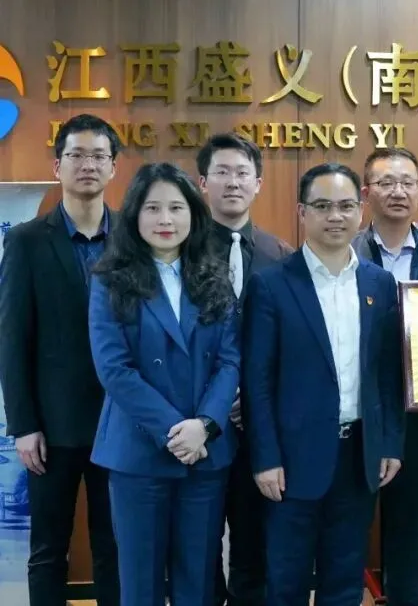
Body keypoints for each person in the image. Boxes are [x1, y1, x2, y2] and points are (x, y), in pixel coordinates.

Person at [243, 163, 404, 606]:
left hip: (359, 456)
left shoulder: (379, 284)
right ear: (302, 212)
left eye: (346, 206)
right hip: (291, 460)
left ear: (361, 209)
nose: (336, 216)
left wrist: (389, 443)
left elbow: (387, 374)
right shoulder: (271, 284)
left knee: (345, 580)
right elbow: (257, 381)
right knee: (286, 581)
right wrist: (265, 458)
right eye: (322, 206)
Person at [88, 162, 239, 605]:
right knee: (141, 584)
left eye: (176, 207)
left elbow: (230, 360)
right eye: (153, 208)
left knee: (199, 581)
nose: (165, 219)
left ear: (194, 213)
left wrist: (205, 425)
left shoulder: (214, 275)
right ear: (135, 214)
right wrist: (177, 431)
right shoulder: (110, 280)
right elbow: (114, 369)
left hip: (205, 454)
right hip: (138, 453)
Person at [0, 114, 122, 606]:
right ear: (57, 166)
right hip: (51, 428)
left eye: (98, 156)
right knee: (48, 550)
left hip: (122, 422)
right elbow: (13, 338)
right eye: (76, 155)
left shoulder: (134, 239)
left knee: (116, 547)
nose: (87, 164)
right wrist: (24, 425)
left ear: (113, 167)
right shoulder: (27, 240)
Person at [196, 132, 293, 606]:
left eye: (242, 173)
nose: (232, 182)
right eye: (222, 172)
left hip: (260, 431)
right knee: (199, 548)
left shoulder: (283, 256)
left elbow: (291, 347)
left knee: (254, 549)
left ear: (258, 183)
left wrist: (252, 396)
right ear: (202, 183)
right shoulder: (181, 252)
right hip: (201, 425)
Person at [351, 147, 418, 606]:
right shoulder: (345, 251)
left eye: (407, 182)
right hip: (357, 409)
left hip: (417, 411)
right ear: (367, 193)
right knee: (349, 523)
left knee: (410, 525)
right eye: (386, 182)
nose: (398, 191)